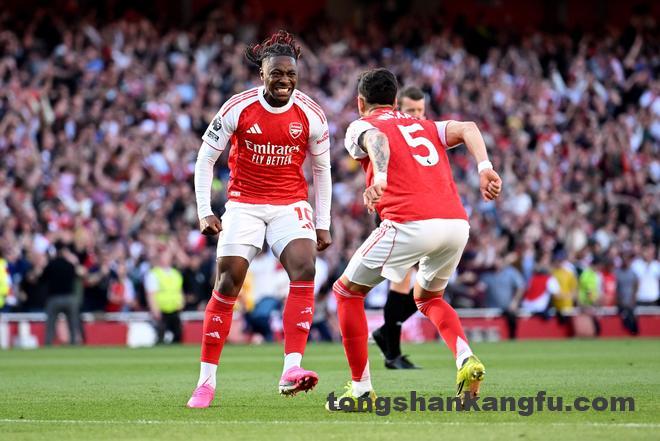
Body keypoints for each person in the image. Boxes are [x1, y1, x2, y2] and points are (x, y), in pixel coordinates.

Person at [327, 68, 502, 410]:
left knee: (346, 292)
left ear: (360, 102)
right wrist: (485, 169)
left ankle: (360, 390)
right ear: (396, 100)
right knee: (428, 298)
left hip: (409, 222)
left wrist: (379, 176)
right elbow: (469, 128)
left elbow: (376, 140)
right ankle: (465, 358)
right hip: (455, 224)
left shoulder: (361, 125)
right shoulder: (425, 125)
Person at [188, 30, 332, 408]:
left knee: (305, 267)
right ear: (262, 74)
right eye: (277, 73)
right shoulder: (237, 107)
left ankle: (291, 369)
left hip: (289, 203)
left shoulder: (311, 114)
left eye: (291, 74)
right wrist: (205, 210)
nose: (284, 80)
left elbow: (322, 169)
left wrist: (323, 221)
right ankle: (205, 382)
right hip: (244, 204)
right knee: (228, 281)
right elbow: (205, 159)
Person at [372, 86, 426, 369]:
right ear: (397, 110)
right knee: (402, 281)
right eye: (410, 110)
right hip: (395, 213)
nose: (416, 115)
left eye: (420, 110)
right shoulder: (389, 134)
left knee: (428, 285)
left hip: (422, 214)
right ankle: (392, 353)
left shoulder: (424, 136)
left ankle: (387, 336)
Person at [41, 242, 84, 346]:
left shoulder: (51, 265)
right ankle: (74, 343)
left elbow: (42, 279)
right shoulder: (70, 265)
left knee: (51, 323)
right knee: (73, 323)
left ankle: (48, 343)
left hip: (54, 298)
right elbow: (77, 277)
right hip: (69, 298)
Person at [145, 248, 185, 343]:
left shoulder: (176, 274)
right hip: (161, 310)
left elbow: (179, 290)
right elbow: (151, 294)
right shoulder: (154, 274)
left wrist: (181, 303)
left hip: (174, 309)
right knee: (161, 336)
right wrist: (155, 309)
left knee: (177, 335)